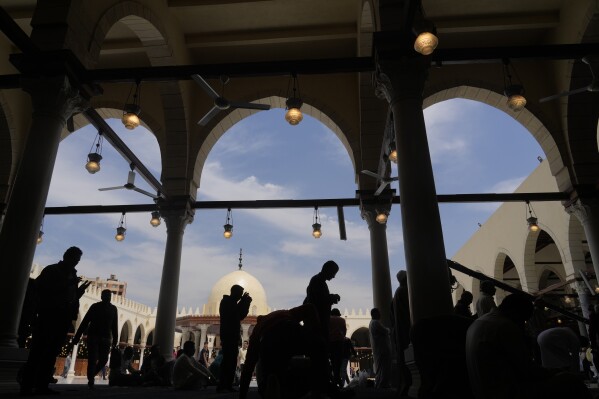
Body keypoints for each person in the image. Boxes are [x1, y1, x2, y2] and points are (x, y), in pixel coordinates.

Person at [466, 294, 592, 399]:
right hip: (506, 393)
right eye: (522, 319)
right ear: (515, 312)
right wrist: (557, 371)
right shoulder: (504, 326)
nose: (522, 325)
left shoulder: (480, 322)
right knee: (570, 381)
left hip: (484, 392)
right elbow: (527, 370)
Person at [19, 247, 90, 395]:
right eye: (75, 258)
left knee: (52, 352)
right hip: (48, 316)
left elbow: (69, 297)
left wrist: (78, 293)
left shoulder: (72, 275)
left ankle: (42, 385)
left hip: (63, 318)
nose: (76, 262)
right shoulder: (52, 271)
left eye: (78, 260)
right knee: (38, 351)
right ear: (67, 256)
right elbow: (42, 289)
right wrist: (69, 285)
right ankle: (27, 385)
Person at [239, 303, 348, 399]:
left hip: (268, 340)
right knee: (319, 347)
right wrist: (315, 332)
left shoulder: (257, 330)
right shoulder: (282, 313)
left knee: (270, 376)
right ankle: (327, 387)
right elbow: (310, 308)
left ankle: (273, 383)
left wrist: (242, 395)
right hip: (290, 329)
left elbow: (248, 367)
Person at [71, 289, 118, 389]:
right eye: (105, 296)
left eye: (109, 296)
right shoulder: (95, 307)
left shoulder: (113, 309)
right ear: (101, 297)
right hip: (94, 336)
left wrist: (115, 340)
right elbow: (85, 321)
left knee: (104, 359)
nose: (107, 298)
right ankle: (91, 380)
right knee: (92, 359)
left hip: (106, 338)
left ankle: (91, 375)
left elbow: (115, 326)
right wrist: (77, 336)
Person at [217, 284, 252, 393]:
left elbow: (239, 315)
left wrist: (246, 303)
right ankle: (223, 384)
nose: (240, 297)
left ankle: (226, 384)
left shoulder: (231, 303)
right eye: (240, 294)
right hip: (228, 335)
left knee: (231, 360)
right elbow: (234, 314)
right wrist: (243, 302)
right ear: (235, 292)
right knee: (228, 360)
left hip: (231, 336)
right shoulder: (226, 302)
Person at [304, 260, 341, 343]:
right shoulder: (317, 281)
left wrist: (331, 297)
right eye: (334, 272)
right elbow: (318, 301)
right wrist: (332, 297)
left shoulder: (318, 280)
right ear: (328, 270)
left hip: (318, 322)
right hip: (317, 323)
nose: (334, 276)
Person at [391, 269, 412, 396]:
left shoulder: (397, 293)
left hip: (400, 331)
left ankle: (403, 385)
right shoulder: (404, 291)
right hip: (406, 330)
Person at [369, 308, 392, 389]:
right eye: (378, 313)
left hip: (379, 349)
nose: (380, 315)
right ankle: (382, 384)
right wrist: (389, 330)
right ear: (374, 314)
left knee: (380, 367)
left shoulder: (372, 323)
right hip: (382, 349)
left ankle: (380, 384)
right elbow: (385, 331)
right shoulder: (375, 322)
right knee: (384, 368)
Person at [329, 308, 347, 388]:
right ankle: (337, 380)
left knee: (333, 361)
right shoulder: (342, 320)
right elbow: (344, 331)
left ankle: (335, 380)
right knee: (338, 362)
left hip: (331, 343)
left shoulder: (329, 319)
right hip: (339, 343)